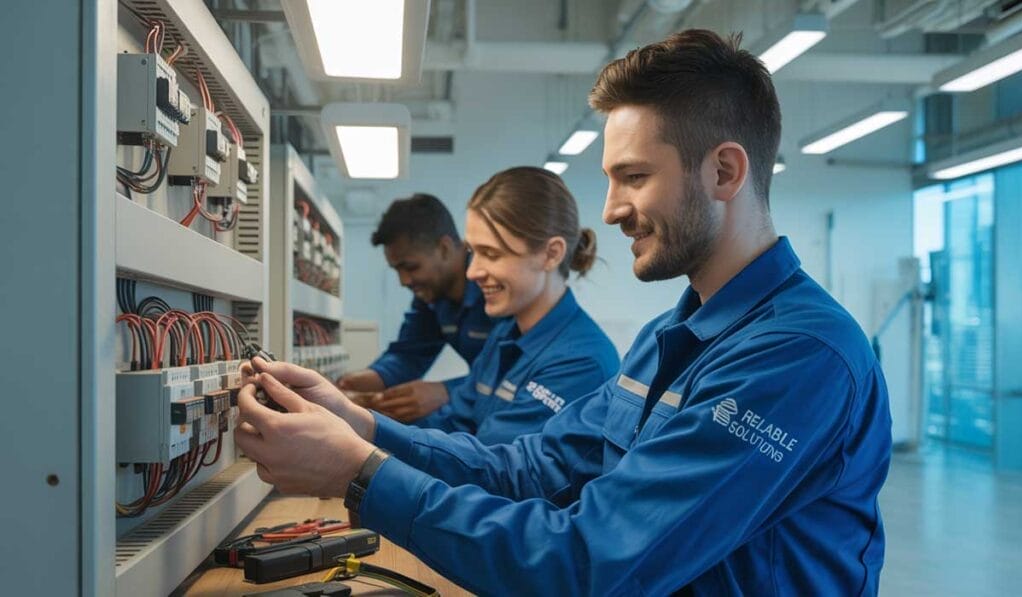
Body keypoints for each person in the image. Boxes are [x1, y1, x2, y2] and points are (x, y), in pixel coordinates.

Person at [236, 29, 892, 595]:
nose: (607, 210)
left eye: (633, 177)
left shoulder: (801, 355)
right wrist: (361, 426)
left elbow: (591, 561)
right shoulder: (669, 337)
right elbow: (535, 466)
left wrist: (357, 472)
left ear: (723, 173)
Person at [407, 166, 619, 444]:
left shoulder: (581, 363)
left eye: (491, 254)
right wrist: (370, 433)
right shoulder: (505, 334)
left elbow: (496, 470)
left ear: (551, 254)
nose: (472, 272)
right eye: (473, 252)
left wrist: (372, 458)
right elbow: (455, 420)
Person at [337, 193, 497, 423]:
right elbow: (409, 353)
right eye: (396, 270)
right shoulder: (433, 298)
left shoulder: (494, 289)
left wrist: (447, 391)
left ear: (444, 248)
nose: (404, 281)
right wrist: (367, 379)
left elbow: (514, 372)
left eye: (410, 267)